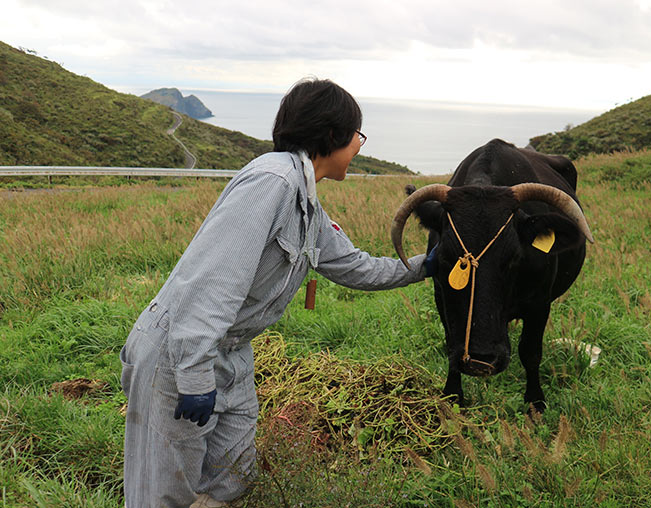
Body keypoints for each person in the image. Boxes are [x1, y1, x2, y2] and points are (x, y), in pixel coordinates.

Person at [119, 78, 432, 507]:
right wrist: (193, 375)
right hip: (181, 353)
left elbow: (354, 265)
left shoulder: (305, 199)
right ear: (331, 136)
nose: (359, 144)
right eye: (357, 134)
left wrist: (426, 265)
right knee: (164, 495)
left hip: (231, 354)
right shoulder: (273, 182)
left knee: (233, 478)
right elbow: (212, 283)